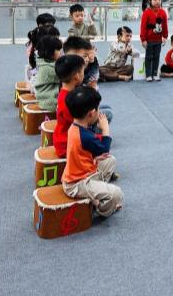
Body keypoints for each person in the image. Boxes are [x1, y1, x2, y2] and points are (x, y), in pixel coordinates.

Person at [62, 86, 123, 218]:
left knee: (110, 160)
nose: (99, 112)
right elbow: (104, 149)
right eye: (98, 109)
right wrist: (105, 129)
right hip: (77, 184)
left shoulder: (76, 126)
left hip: (85, 171)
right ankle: (101, 207)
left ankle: (98, 191)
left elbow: (90, 153)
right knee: (117, 194)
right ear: (91, 113)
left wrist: (94, 158)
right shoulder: (85, 136)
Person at [63, 37, 113, 126]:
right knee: (108, 114)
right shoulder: (73, 75)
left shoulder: (71, 68)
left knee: (107, 108)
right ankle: (92, 131)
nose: (87, 59)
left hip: (81, 106)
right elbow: (89, 91)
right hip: (79, 114)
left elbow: (93, 79)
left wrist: (93, 61)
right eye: (85, 55)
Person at [52, 54, 87, 159]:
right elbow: (80, 124)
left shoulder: (65, 92)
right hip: (66, 145)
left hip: (62, 138)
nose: (84, 74)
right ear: (76, 76)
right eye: (83, 71)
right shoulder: (67, 101)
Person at [139, 0, 168, 82]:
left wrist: (165, 36)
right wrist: (143, 39)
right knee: (149, 57)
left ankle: (155, 74)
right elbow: (143, 27)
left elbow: (165, 25)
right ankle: (148, 75)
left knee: (156, 57)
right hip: (149, 40)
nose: (157, 1)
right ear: (149, 0)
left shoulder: (163, 12)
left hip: (158, 40)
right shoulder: (146, 13)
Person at [33, 35, 63, 111]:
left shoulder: (44, 63)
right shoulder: (47, 68)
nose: (60, 52)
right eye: (58, 49)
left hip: (46, 98)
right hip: (50, 101)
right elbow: (66, 76)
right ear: (49, 51)